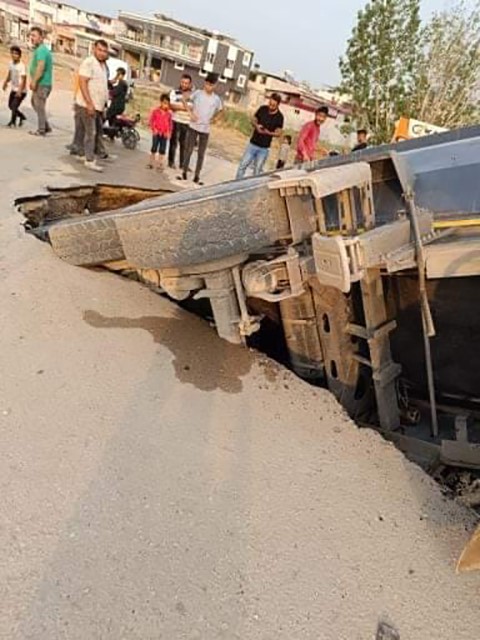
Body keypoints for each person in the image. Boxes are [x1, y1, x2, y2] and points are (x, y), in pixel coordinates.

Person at [180, 73, 222, 185]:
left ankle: (197, 175)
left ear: (215, 85)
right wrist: (190, 113)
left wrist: (214, 119)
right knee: (188, 150)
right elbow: (184, 99)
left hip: (205, 130)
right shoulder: (198, 93)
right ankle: (184, 171)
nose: (208, 87)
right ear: (205, 83)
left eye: (211, 85)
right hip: (193, 127)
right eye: (207, 84)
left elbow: (221, 110)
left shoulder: (216, 99)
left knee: (201, 154)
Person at [74, 39, 110, 172]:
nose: (102, 53)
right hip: (87, 104)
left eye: (105, 51)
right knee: (91, 132)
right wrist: (89, 103)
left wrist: (104, 106)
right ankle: (89, 159)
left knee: (85, 131)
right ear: (94, 49)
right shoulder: (89, 62)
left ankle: (81, 153)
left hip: (98, 106)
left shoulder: (103, 66)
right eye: (100, 50)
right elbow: (83, 83)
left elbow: (103, 87)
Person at [236, 94, 284, 179]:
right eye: (270, 103)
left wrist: (268, 133)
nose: (271, 106)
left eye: (273, 105)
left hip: (264, 148)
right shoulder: (263, 109)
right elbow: (254, 119)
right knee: (242, 165)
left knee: (257, 171)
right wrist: (257, 126)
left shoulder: (280, 117)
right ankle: (235, 185)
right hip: (253, 143)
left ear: (278, 105)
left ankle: (252, 190)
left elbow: (279, 133)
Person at [29, 27, 53, 136]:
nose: (32, 38)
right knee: (35, 103)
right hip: (41, 83)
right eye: (31, 35)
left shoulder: (42, 50)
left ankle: (41, 129)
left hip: (42, 83)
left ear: (41, 37)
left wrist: (34, 81)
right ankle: (45, 126)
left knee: (39, 106)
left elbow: (40, 67)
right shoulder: (39, 50)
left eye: (34, 35)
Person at [168, 74, 193, 169]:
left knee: (185, 144)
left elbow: (193, 107)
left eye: (186, 83)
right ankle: (171, 162)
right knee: (173, 142)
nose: (184, 84)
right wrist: (186, 108)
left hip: (187, 122)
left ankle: (183, 164)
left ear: (190, 84)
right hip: (176, 120)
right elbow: (172, 106)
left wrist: (180, 107)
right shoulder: (174, 92)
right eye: (183, 82)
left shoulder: (193, 95)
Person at [2, 46, 27, 128]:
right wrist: (5, 82)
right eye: (12, 53)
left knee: (14, 106)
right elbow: (10, 74)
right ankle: (22, 117)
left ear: (19, 55)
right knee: (10, 106)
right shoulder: (11, 63)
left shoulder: (21, 66)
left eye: (16, 54)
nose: (14, 55)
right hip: (14, 89)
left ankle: (12, 122)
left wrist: (20, 91)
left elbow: (24, 79)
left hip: (21, 90)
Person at [148, 93, 173, 171]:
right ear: (161, 102)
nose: (166, 105)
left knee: (162, 150)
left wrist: (169, 133)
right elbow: (151, 121)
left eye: (167, 104)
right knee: (154, 148)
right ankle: (151, 163)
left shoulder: (169, 114)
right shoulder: (156, 111)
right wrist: (154, 129)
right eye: (164, 103)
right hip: (156, 133)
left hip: (164, 134)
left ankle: (160, 164)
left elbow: (170, 124)